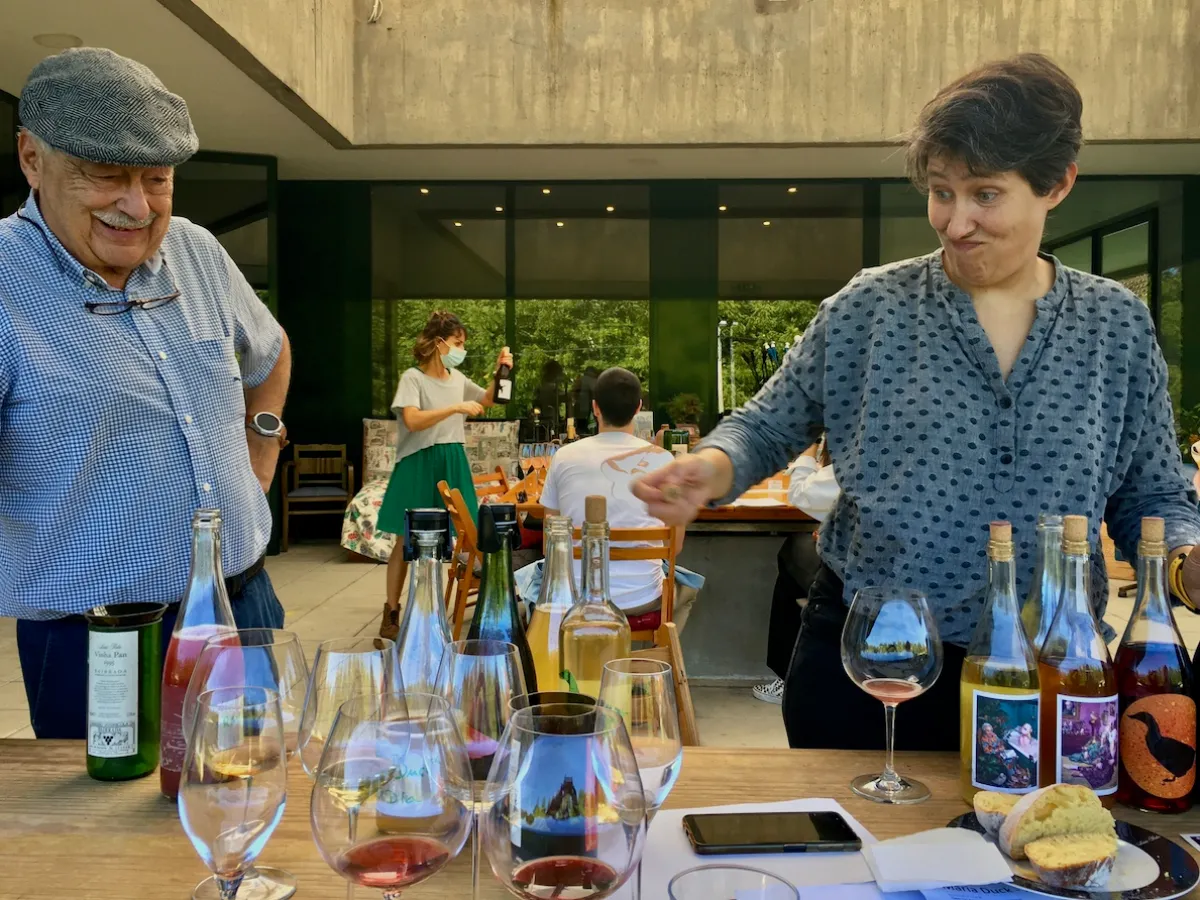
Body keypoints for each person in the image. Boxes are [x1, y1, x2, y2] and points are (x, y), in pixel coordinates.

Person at [633, 53, 1200, 750]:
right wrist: (710, 466)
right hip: (871, 664)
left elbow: (1153, 494)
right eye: (941, 193)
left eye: (985, 194)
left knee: (1046, 824)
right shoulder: (869, 308)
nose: (956, 223)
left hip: (1054, 671)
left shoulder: (1115, 325)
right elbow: (765, 426)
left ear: (1057, 185)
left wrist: (1185, 563)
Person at [0, 48, 291, 738]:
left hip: (245, 607)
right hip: (98, 644)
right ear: (32, 159)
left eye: (157, 179)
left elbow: (271, 350)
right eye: (106, 176)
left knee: (256, 792)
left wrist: (260, 455)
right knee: (111, 812)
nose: (137, 206)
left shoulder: (196, 250)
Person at [515, 367, 702, 630]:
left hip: (575, 598)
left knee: (529, 578)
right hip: (643, 597)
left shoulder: (564, 457)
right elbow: (675, 545)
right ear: (638, 408)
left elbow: (550, 543)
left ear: (595, 408)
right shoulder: (663, 460)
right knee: (685, 586)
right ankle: (658, 649)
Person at [378, 310, 512, 639]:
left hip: (451, 458)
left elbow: (492, 399)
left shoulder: (458, 379)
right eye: (457, 342)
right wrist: (455, 407)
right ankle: (391, 612)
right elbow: (412, 420)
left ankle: (433, 609)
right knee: (406, 538)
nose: (461, 349)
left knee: (456, 535)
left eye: (463, 343)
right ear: (439, 343)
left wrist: (502, 370)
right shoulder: (413, 378)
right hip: (418, 461)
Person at [753, 436, 840, 704]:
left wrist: (809, 448)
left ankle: (787, 677)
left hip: (857, 577)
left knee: (793, 554)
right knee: (797, 550)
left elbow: (801, 493)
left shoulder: (856, 463)